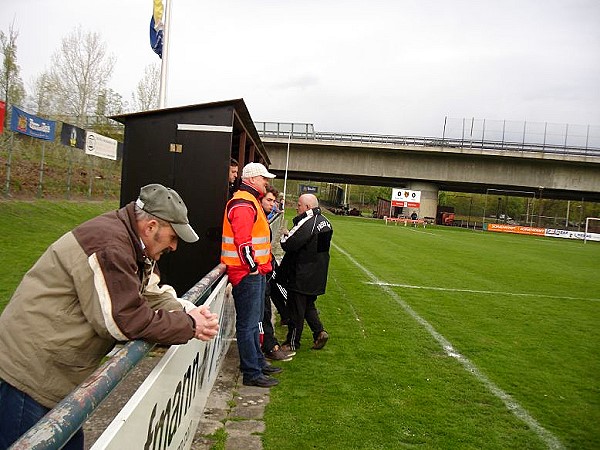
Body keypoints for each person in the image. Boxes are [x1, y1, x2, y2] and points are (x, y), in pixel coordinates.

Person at [0, 183, 220, 450]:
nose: (174, 246)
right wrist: (188, 325)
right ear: (150, 227)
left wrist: (187, 311)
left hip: (54, 375)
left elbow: (148, 291)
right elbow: (123, 322)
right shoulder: (110, 245)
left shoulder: (131, 243)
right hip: (29, 376)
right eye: (173, 237)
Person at [221, 162, 282, 388]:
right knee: (248, 324)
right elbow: (243, 240)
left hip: (250, 270)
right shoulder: (243, 203)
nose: (266, 182)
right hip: (246, 272)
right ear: (253, 179)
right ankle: (251, 371)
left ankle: (256, 363)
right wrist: (252, 266)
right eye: (263, 178)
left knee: (253, 321)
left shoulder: (249, 202)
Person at [279, 194, 333, 351]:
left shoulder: (307, 223)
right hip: (317, 272)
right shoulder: (325, 222)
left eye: (299, 205)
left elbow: (289, 244)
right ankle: (319, 332)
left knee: (296, 309)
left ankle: (292, 342)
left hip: (302, 273)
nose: (297, 207)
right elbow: (320, 249)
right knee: (308, 305)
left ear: (308, 207)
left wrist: (284, 234)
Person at [260, 185, 294, 362]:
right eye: (269, 200)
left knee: (264, 310)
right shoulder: (255, 217)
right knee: (261, 313)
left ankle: (270, 345)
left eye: (274, 201)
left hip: (263, 269)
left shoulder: (263, 217)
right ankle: (268, 348)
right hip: (256, 273)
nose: (273, 205)